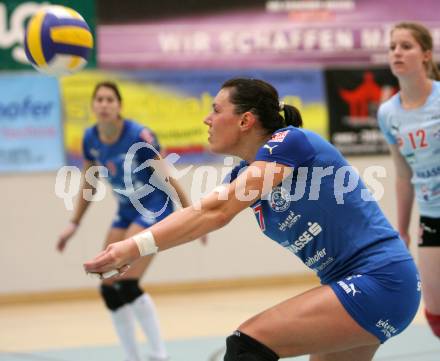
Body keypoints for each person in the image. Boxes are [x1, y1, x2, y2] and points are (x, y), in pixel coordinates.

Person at [84, 78, 421, 361]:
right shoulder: (244, 173)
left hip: (379, 279)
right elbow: (202, 215)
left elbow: (215, 212)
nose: (207, 119)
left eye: (216, 110)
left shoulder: (289, 142)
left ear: (245, 121)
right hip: (361, 286)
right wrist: (133, 248)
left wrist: (131, 247)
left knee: (246, 346)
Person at [57, 81, 197, 361]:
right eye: (99, 99)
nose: (105, 104)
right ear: (93, 106)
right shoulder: (91, 139)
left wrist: (191, 212)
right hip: (126, 210)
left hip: (155, 207)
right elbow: (89, 183)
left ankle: (159, 354)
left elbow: (166, 174)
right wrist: (74, 224)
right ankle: (132, 356)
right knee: (108, 285)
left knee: (127, 281)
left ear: (119, 106)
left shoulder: (138, 135)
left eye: (110, 99)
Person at [377, 22, 440, 339]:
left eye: (406, 46)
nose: (397, 52)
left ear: (426, 55)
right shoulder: (388, 112)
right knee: (435, 315)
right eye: (392, 47)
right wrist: (401, 230)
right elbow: (403, 173)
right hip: (431, 215)